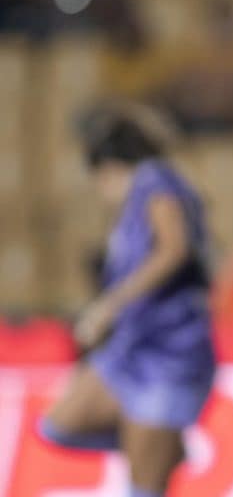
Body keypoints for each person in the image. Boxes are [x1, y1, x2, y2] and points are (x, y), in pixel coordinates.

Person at [38, 112, 216, 497]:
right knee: (57, 425)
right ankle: (160, 444)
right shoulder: (145, 198)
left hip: (168, 355)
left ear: (109, 169)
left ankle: (158, 444)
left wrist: (109, 307)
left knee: (144, 490)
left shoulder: (154, 181)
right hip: (132, 350)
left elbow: (173, 249)